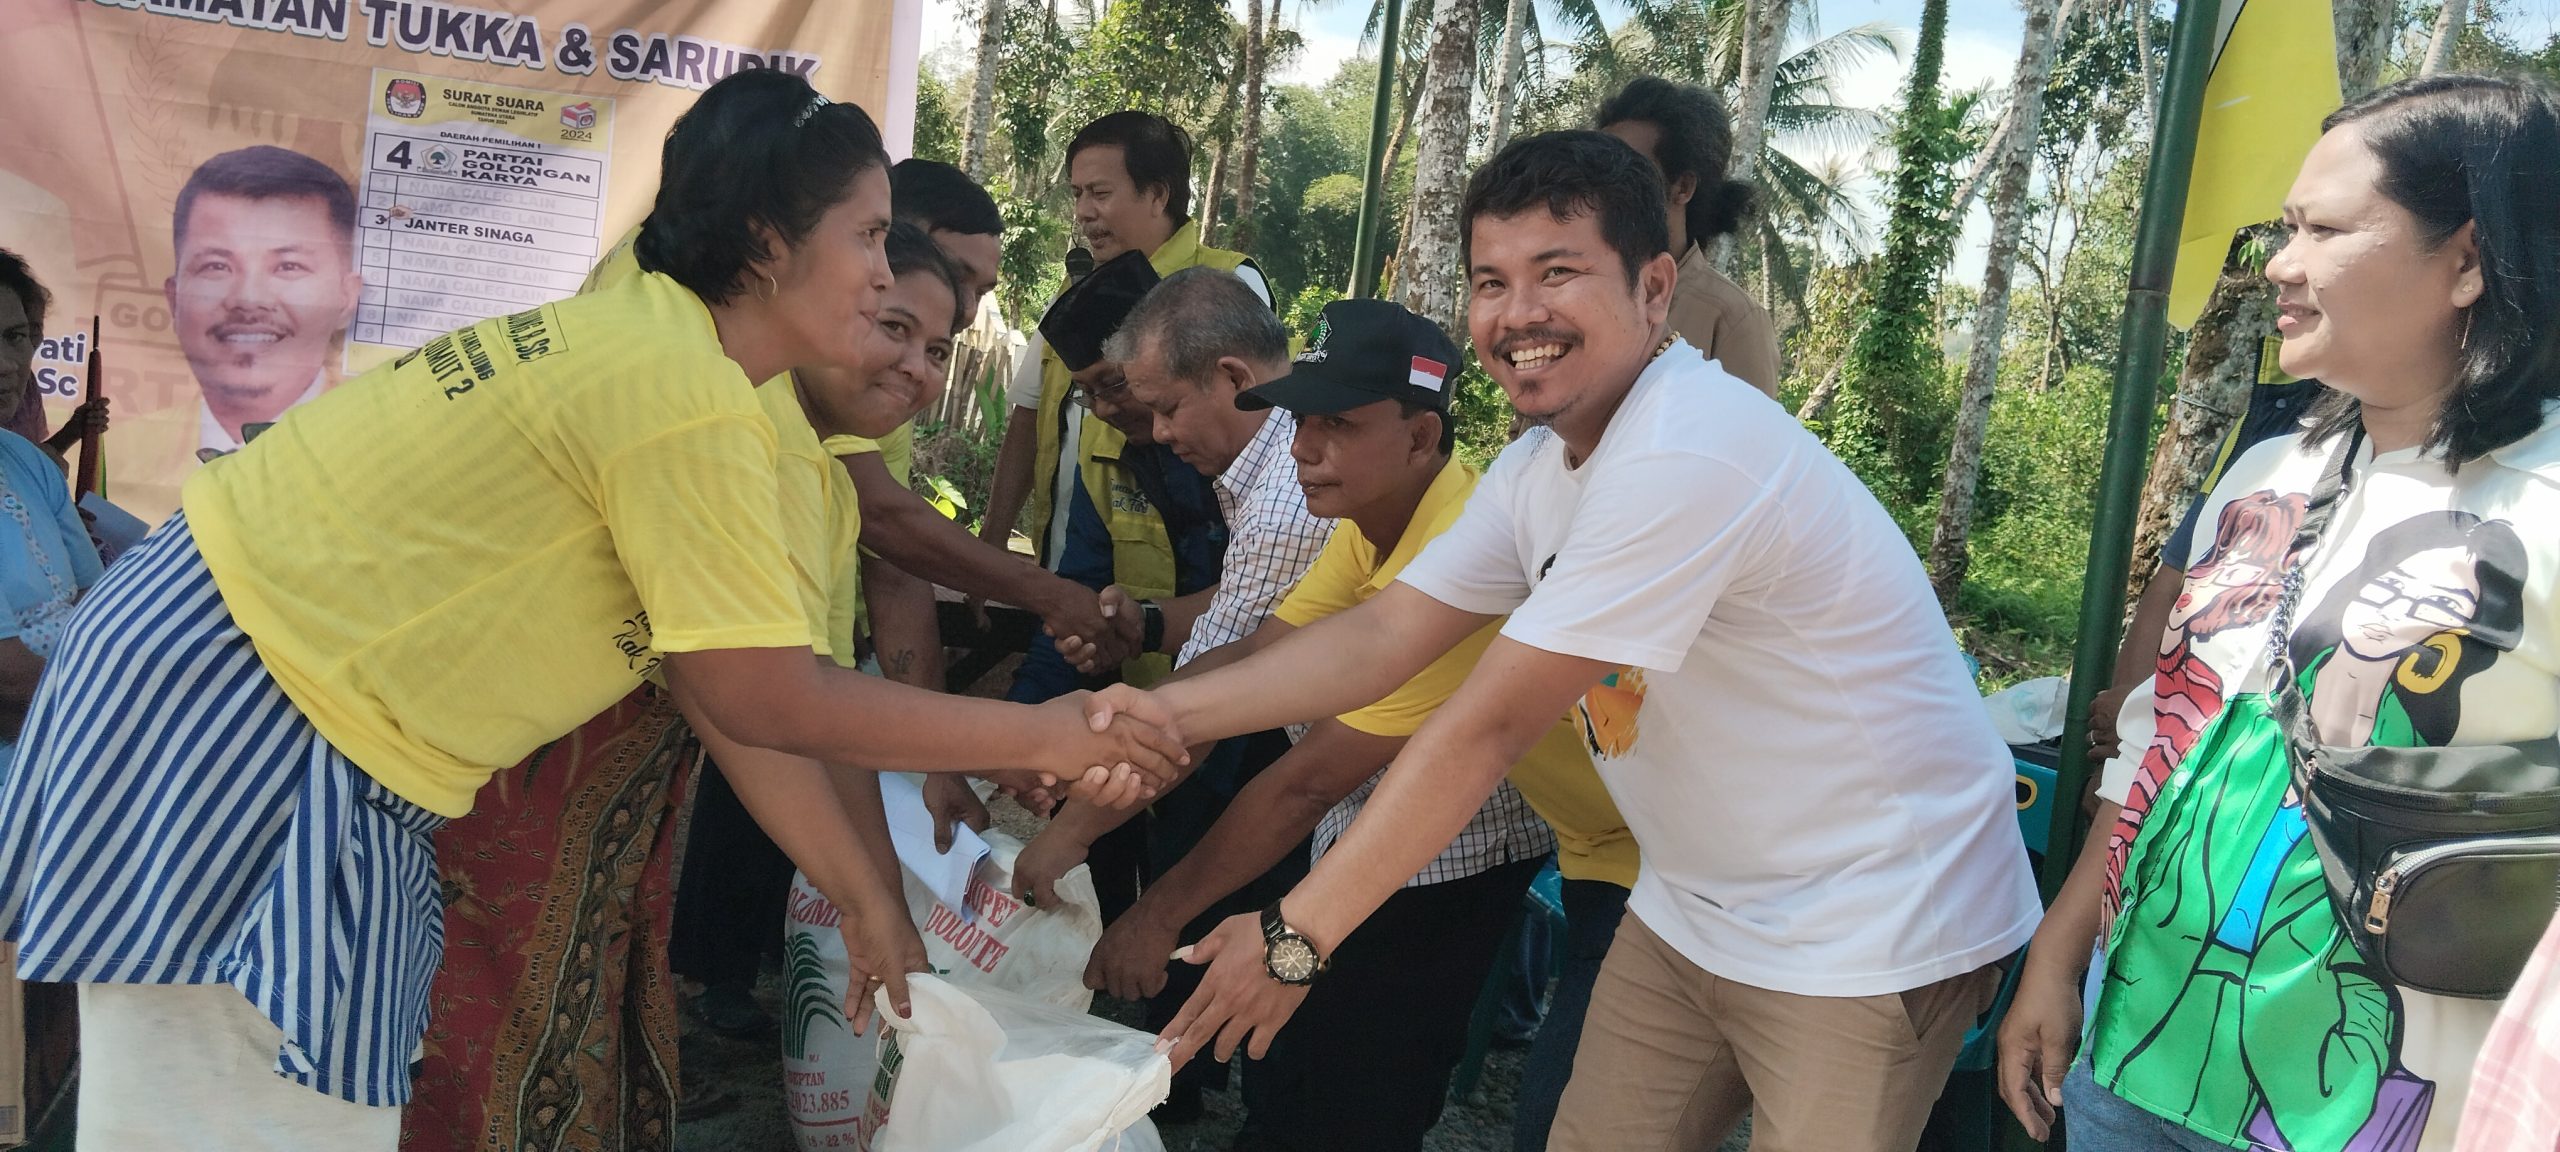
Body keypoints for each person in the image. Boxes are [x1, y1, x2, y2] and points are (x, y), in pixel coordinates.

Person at [0, 71, 1177, 1149]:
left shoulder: (685, 367)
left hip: (270, 704)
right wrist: (1057, 733)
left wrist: (871, 896)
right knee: (228, 1120)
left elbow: (727, 694)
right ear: (768, 243)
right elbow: (758, 694)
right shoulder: (684, 396)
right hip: (249, 711)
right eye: (867, 237)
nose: (887, 275)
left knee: (281, 1114)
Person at [1086, 131, 2039, 1152]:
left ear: (1655, 287)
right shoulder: (1541, 466)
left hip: (1872, 920)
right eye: (1490, 281)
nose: (1518, 313)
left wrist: (1294, 936)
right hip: (1692, 901)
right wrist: (1150, 714)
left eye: (1559, 272)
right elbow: (1383, 635)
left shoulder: (1687, 451)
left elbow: (1485, 727)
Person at [1998, 74, 2560, 1152]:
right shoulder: (2272, 470)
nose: (2279, 263)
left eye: (2324, 230)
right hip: (2139, 1048)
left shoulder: (2540, 498)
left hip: (2383, 1100)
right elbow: (2160, 739)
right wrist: (2059, 956)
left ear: (2469, 260)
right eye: (2284, 227)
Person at [1074, 297, 1563, 1152]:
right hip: (1360, 837)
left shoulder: (1461, 538)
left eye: (1335, 423)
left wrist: (1159, 913)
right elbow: (1264, 660)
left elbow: (1306, 781)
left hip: (1449, 865)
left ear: (1420, 437)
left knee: (1354, 1099)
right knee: (1287, 1073)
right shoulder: (1363, 524)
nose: (1301, 448)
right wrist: (1114, 724)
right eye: (1300, 420)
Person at [1018, 264, 1330, 1124]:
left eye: (1163, 408)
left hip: (1383, 797)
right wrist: (1147, 627)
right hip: (1332, 772)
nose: (1151, 431)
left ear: (1231, 377)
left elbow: (1221, 684)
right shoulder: (1272, 465)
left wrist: (1070, 831)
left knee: (1333, 1070)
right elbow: (1255, 624)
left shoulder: (1288, 494)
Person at [980, 112, 1270, 569]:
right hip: (1069, 571)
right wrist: (990, 545)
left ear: (1157, 194)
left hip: (1193, 582)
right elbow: (1027, 420)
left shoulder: (1228, 281)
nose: (1083, 211)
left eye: (1100, 193)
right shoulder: (1072, 295)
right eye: (1077, 194)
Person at [0, 248, 107, 1149]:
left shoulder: (25, 463)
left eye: (18, 339)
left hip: (55, 784)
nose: (7, 363)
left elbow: (89, 604)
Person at [165, 146, 364, 457]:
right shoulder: (119, 450)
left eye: (288, 266)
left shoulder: (378, 448)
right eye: (216, 266)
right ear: (173, 299)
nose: (248, 300)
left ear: (346, 297)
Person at [1596, 77, 1781, 398]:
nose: (1607, 188)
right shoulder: (1575, 293)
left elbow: (1748, 443)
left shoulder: (1731, 319)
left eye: (1632, 172)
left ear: (1683, 186)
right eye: (1598, 171)